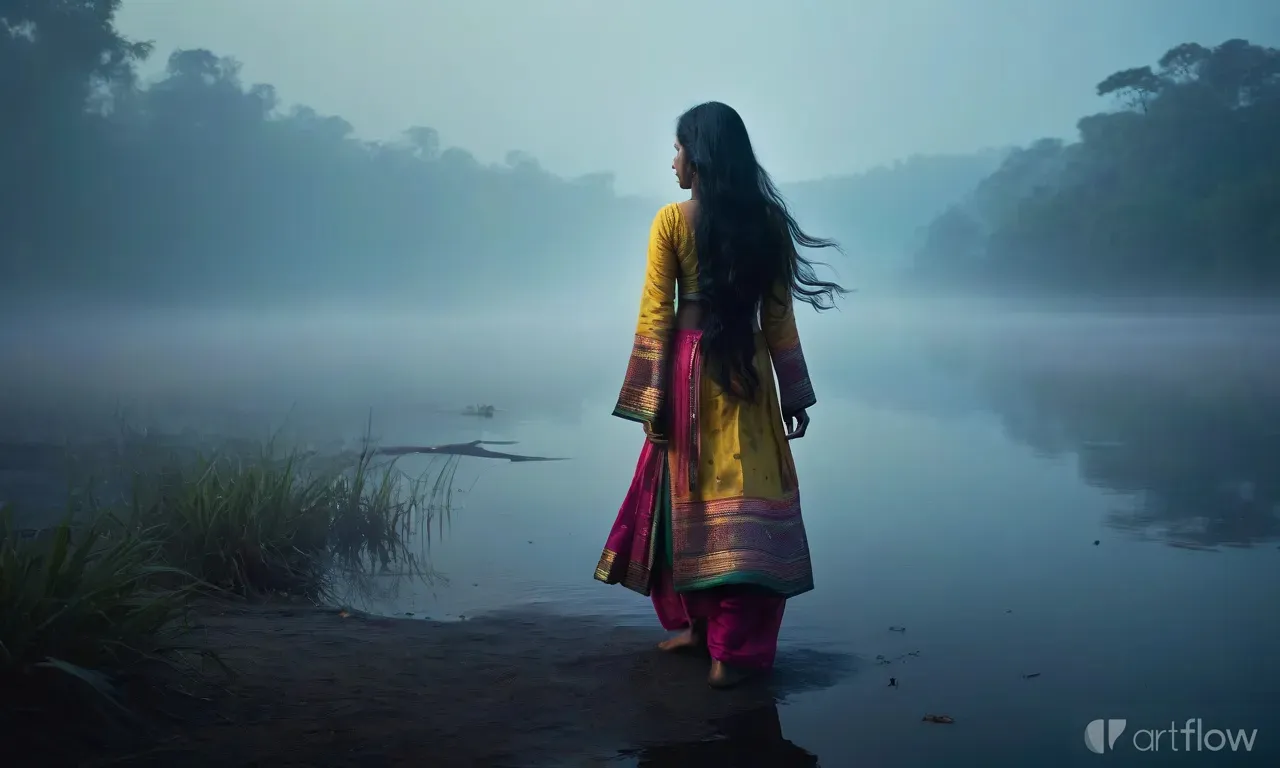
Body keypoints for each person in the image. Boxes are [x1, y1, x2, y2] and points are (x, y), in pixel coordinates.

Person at [594, 101, 846, 689]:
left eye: (679, 147)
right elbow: (779, 321)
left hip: (687, 374)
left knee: (685, 498)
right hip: (748, 374)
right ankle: (719, 645)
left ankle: (709, 637)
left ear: (701, 157)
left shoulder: (671, 221)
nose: (673, 160)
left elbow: (656, 314)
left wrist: (650, 398)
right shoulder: (767, 224)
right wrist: (793, 394)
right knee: (745, 499)